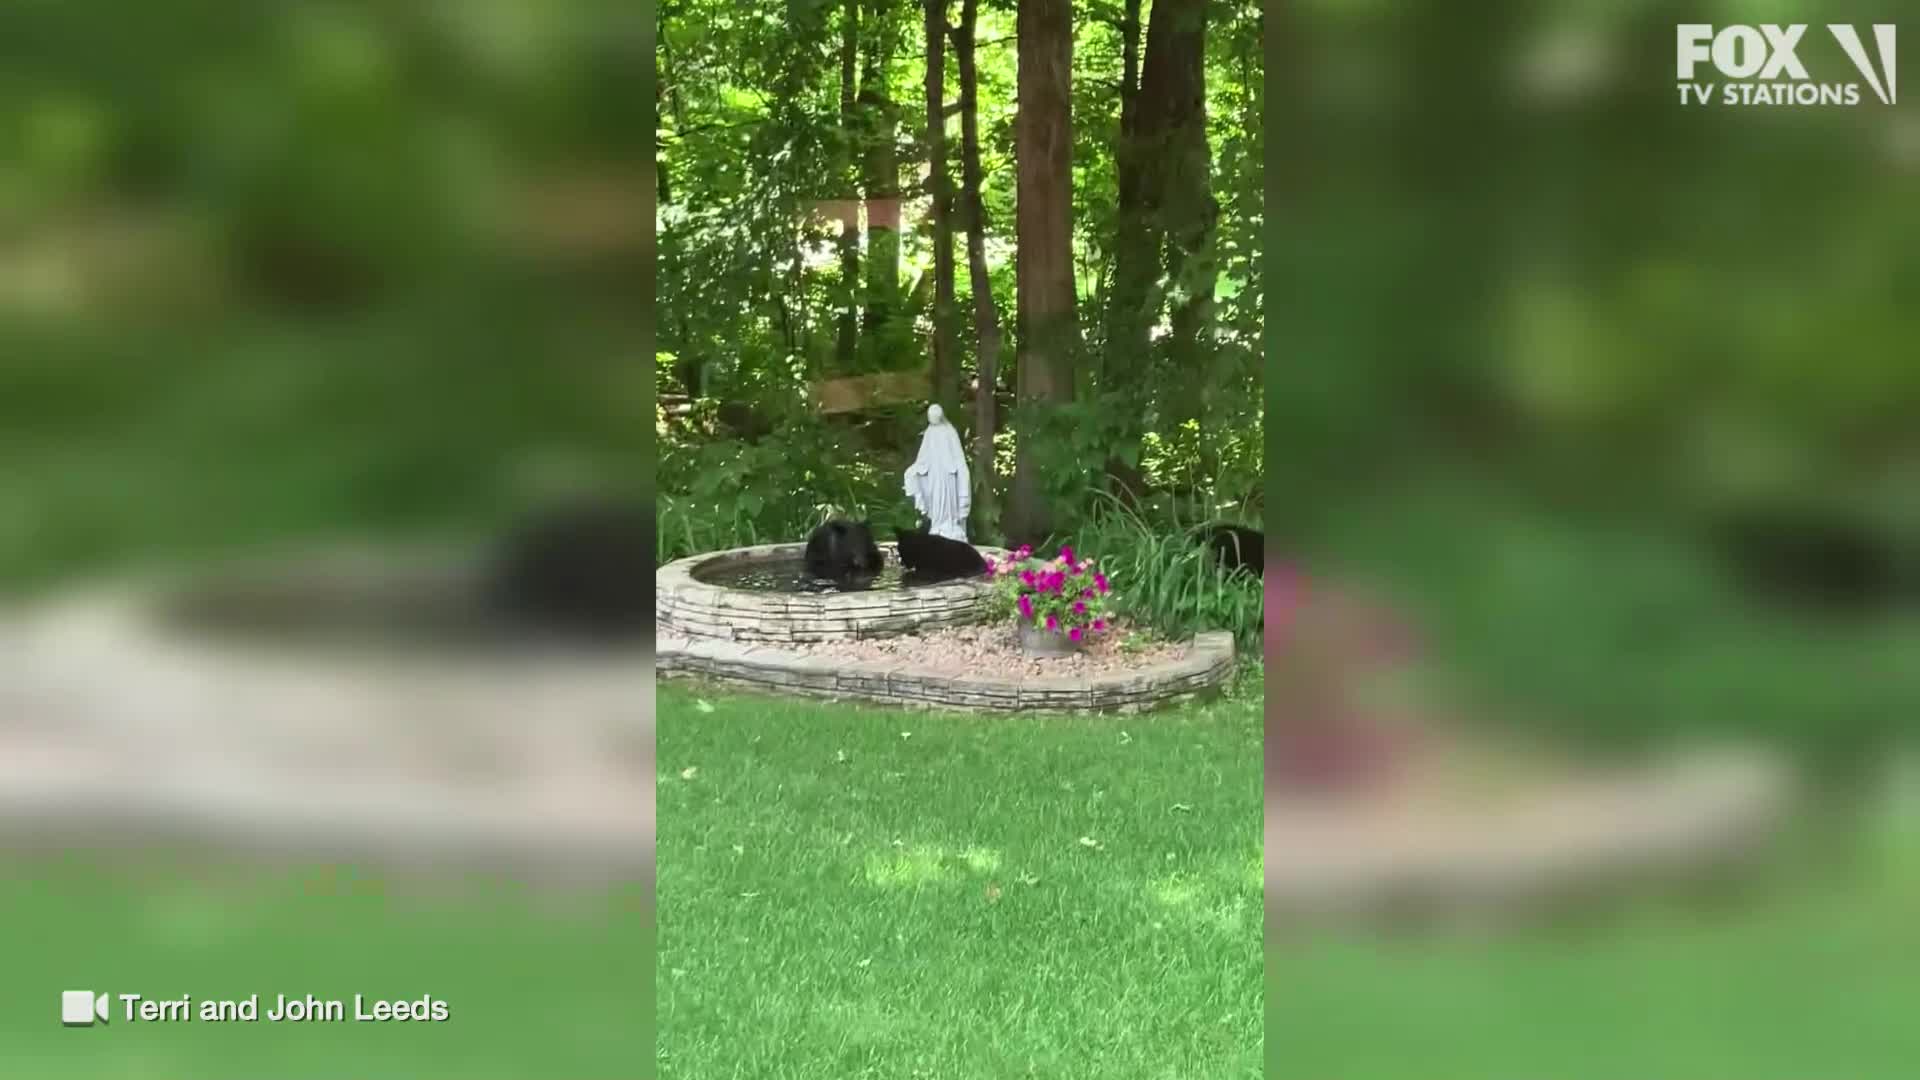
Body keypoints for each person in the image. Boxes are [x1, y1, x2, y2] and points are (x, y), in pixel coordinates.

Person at [903, 404, 970, 542]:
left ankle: (950, 525)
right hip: (934, 474)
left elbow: (958, 456)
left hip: (948, 475)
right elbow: (923, 456)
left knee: (949, 502)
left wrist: (961, 474)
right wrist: (914, 469)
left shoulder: (950, 432)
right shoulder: (929, 432)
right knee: (936, 501)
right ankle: (938, 525)